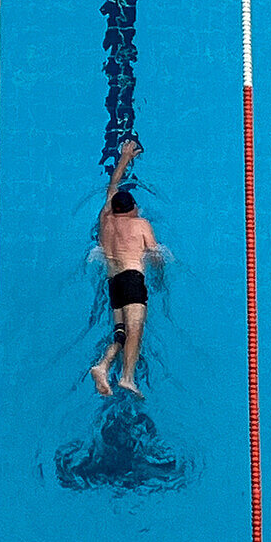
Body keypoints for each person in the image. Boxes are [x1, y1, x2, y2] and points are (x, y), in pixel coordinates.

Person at [90, 137, 159, 398]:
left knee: (120, 333)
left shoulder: (105, 219)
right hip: (131, 280)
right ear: (131, 209)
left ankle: (103, 365)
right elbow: (154, 253)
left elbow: (112, 185)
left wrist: (124, 158)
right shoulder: (140, 223)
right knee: (135, 331)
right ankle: (128, 378)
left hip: (114, 282)